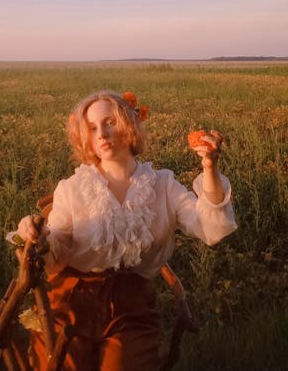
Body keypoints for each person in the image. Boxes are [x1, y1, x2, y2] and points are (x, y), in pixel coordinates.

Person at [16, 90, 237, 371]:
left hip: (132, 307)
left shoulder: (162, 186)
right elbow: (56, 244)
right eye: (92, 128)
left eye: (109, 122)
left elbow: (210, 227)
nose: (101, 133)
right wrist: (36, 231)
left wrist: (209, 167)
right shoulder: (72, 189)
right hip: (71, 301)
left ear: (130, 124)